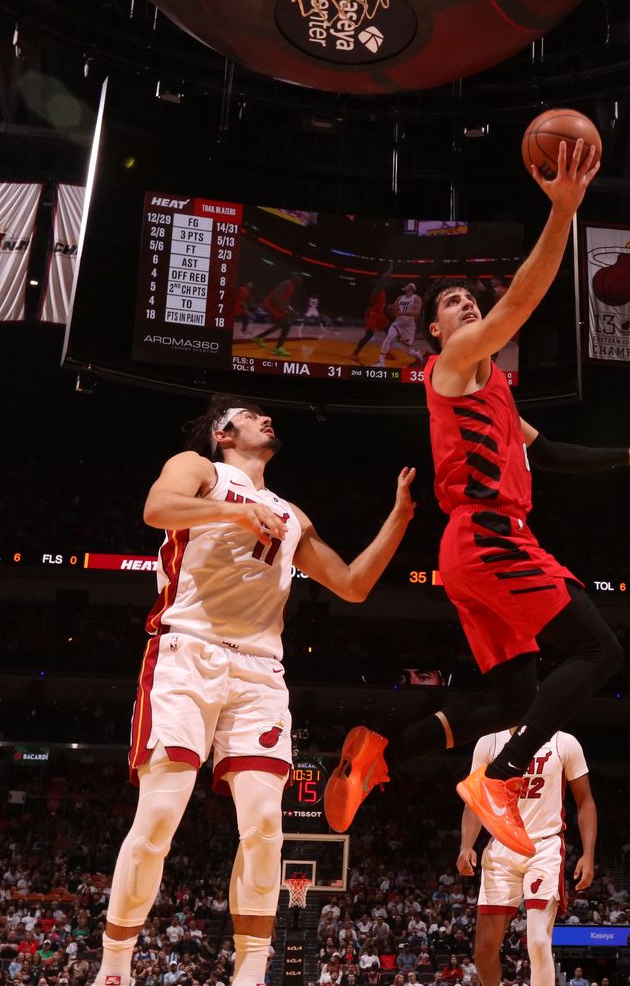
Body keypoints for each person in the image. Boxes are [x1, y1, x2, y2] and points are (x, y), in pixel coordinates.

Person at [324, 140, 630, 855]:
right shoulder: (454, 363)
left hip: (472, 551)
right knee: (601, 650)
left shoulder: (492, 389)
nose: (464, 305)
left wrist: (629, 456)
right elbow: (522, 294)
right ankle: (503, 776)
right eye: (450, 304)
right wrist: (563, 211)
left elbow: (545, 452)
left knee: (516, 697)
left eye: (468, 298)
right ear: (435, 330)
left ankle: (380, 756)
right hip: (491, 537)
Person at [95, 397, 417, 986]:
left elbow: (352, 584)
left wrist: (399, 518)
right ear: (224, 432)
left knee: (267, 824)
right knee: (161, 816)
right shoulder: (199, 469)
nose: (266, 418)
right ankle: (114, 967)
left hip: (261, 671)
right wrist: (235, 515)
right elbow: (156, 508)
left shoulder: (291, 513)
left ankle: (250, 972)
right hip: (186, 651)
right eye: (251, 415)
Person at [457, 728, 595, 986]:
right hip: (501, 846)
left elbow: (585, 800)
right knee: (485, 948)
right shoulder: (489, 741)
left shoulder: (564, 742)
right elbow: (475, 800)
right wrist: (467, 845)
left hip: (543, 848)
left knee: (539, 940)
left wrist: (589, 854)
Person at [374, 284, 423, 367]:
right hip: (398, 323)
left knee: (408, 351)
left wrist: (401, 313)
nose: (405, 286)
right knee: (389, 337)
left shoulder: (416, 298)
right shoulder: (400, 298)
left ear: (411, 287)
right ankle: (381, 362)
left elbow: (417, 313)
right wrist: (390, 307)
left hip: (409, 326)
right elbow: (394, 307)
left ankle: (417, 354)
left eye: (407, 285)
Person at [254, 275, 302, 357]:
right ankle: (278, 348)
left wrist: (291, 310)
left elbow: (285, 300)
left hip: (277, 304)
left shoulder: (292, 286)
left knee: (280, 324)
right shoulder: (286, 283)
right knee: (286, 324)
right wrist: (287, 309)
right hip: (271, 303)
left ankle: (259, 337)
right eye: (298, 280)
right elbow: (276, 297)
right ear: (293, 279)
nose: (299, 282)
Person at [351, 282, 392, 362]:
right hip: (373, 313)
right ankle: (355, 353)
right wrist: (390, 270)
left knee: (390, 332)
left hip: (380, 314)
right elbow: (383, 279)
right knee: (369, 335)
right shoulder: (376, 290)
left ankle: (386, 352)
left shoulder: (383, 291)